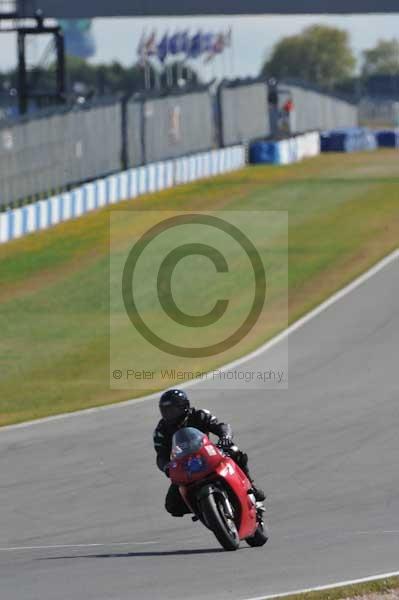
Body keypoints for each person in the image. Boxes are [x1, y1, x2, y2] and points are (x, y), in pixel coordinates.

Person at [153, 389, 265, 518]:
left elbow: (221, 426)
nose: (169, 415)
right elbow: (160, 456)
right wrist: (166, 467)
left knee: (234, 451)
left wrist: (225, 438)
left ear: (184, 406)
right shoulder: (161, 430)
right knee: (172, 506)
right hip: (184, 467)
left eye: (173, 410)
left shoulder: (199, 415)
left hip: (208, 455)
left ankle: (251, 487)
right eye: (166, 411)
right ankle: (203, 509)